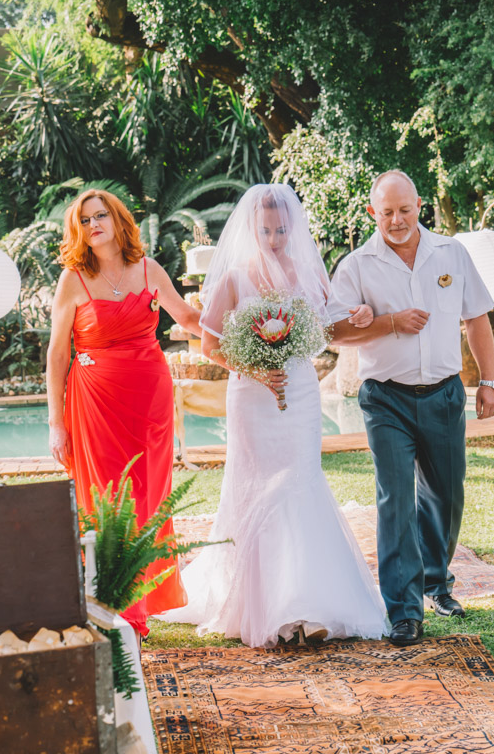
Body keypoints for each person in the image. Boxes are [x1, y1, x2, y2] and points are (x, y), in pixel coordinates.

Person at [158, 184, 388, 648]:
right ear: (251, 229)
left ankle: (309, 601)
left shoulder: (310, 273)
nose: (275, 239)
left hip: (299, 391)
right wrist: (256, 370)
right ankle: (266, 603)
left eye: (282, 230)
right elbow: (210, 345)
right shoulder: (233, 279)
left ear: (292, 228)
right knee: (257, 485)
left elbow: (332, 323)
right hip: (251, 397)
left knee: (300, 480)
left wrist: (362, 315)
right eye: (266, 230)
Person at [330, 169, 494, 647]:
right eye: (386, 212)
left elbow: (476, 318)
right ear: (373, 213)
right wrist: (386, 322)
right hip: (386, 398)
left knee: (445, 496)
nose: (397, 220)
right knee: (396, 500)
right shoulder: (356, 265)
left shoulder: (451, 253)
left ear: (419, 206)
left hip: (444, 393)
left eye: (405, 210)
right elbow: (332, 331)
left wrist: (488, 381)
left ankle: (436, 583)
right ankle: (404, 611)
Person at [46, 188, 203, 638]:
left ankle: (137, 604)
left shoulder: (149, 269)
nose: (93, 225)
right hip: (95, 405)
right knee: (106, 501)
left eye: (100, 216)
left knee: (148, 498)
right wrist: (56, 423)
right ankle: (113, 605)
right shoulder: (73, 279)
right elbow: (57, 355)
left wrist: (235, 327)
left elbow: (187, 319)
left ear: (117, 220)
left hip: (150, 404)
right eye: (84, 220)